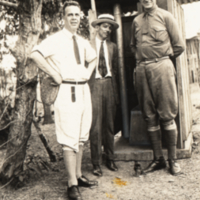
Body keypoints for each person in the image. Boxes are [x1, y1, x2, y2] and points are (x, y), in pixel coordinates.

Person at [30, 1, 98, 200]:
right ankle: (71, 184)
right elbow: (35, 54)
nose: (74, 18)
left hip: (83, 89)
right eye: (70, 15)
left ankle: (78, 175)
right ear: (63, 18)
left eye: (77, 15)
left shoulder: (83, 41)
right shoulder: (55, 39)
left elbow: (92, 58)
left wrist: (87, 72)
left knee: (82, 135)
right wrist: (54, 73)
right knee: (69, 138)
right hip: (66, 90)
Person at [130, 0, 185, 175]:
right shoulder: (136, 21)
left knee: (167, 114)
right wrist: (143, 61)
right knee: (149, 115)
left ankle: (172, 160)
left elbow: (179, 46)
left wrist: (161, 59)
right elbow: (133, 46)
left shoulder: (166, 16)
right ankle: (158, 158)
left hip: (161, 66)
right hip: (141, 69)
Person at [89, 14, 120, 176]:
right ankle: (96, 162)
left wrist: (115, 93)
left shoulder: (113, 46)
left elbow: (114, 70)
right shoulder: (87, 45)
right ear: (97, 27)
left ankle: (110, 158)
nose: (107, 30)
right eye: (104, 26)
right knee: (95, 127)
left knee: (109, 125)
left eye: (110, 27)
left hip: (108, 85)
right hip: (93, 86)